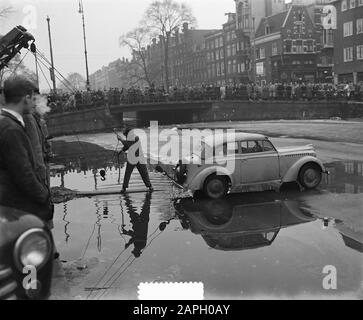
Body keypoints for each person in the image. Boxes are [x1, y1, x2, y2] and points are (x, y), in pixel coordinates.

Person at [0, 76, 52, 223]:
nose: (34, 101)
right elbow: (24, 173)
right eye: (32, 97)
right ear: (25, 98)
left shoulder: (6, 123)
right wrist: (44, 195)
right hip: (17, 209)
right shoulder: (11, 129)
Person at [117, 127, 153, 193]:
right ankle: (124, 188)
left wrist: (121, 139)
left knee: (144, 173)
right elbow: (127, 145)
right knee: (127, 173)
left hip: (139, 158)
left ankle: (150, 186)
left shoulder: (136, 138)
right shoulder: (129, 138)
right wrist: (122, 150)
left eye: (126, 135)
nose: (126, 136)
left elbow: (129, 144)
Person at [122, 192, 151, 258]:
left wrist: (126, 232)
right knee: (145, 207)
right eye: (134, 251)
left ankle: (127, 198)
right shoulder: (141, 245)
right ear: (137, 251)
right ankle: (148, 195)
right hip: (142, 222)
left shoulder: (137, 245)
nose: (134, 249)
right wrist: (128, 243)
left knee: (131, 210)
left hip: (137, 223)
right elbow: (135, 237)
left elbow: (134, 235)